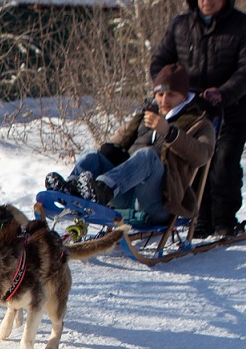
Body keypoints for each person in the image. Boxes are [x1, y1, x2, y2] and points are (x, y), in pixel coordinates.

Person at [148, 0, 246, 238]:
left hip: (232, 110)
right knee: (191, 162)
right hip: (191, 109)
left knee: (223, 164)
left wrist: (223, 92)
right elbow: (160, 62)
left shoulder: (245, 28)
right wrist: (166, 90)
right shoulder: (181, 26)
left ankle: (224, 220)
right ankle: (198, 218)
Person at [45, 64, 216, 228]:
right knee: (92, 156)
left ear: (184, 97)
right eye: (160, 94)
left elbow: (203, 155)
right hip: (126, 194)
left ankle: (102, 190)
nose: (164, 100)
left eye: (171, 94)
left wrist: (170, 133)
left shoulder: (199, 122)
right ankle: (71, 191)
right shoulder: (145, 116)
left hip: (161, 203)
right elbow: (114, 144)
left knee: (147, 155)